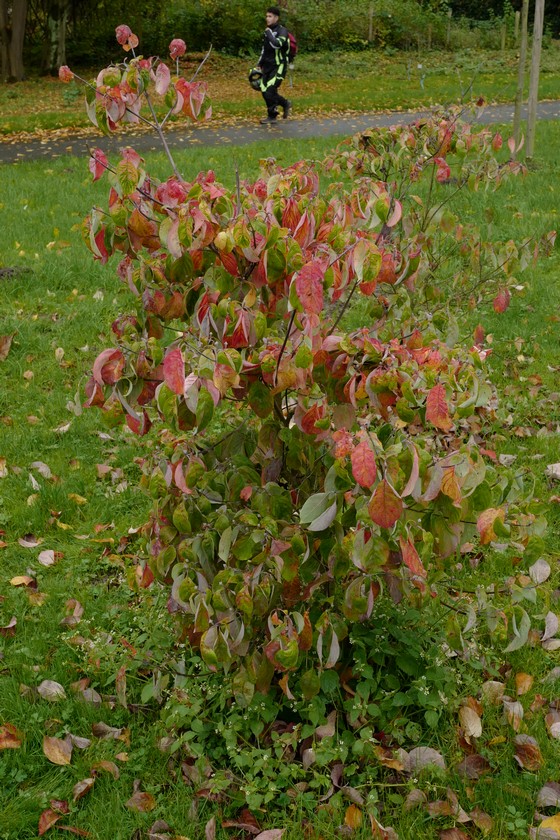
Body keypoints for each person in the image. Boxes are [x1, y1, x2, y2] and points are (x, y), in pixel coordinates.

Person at [257, 6, 292, 124]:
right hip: (267, 66)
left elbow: (277, 44)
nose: (267, 19)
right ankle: (285, 103)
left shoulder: (283, 31)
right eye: (267, 16)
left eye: (270, 16)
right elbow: (264, 49)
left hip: (279, 66)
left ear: (276, 18)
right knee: (264, 90)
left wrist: (269, 33)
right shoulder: (268, 31)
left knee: (270, 91)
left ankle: (272, 116)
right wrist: (259, 63)